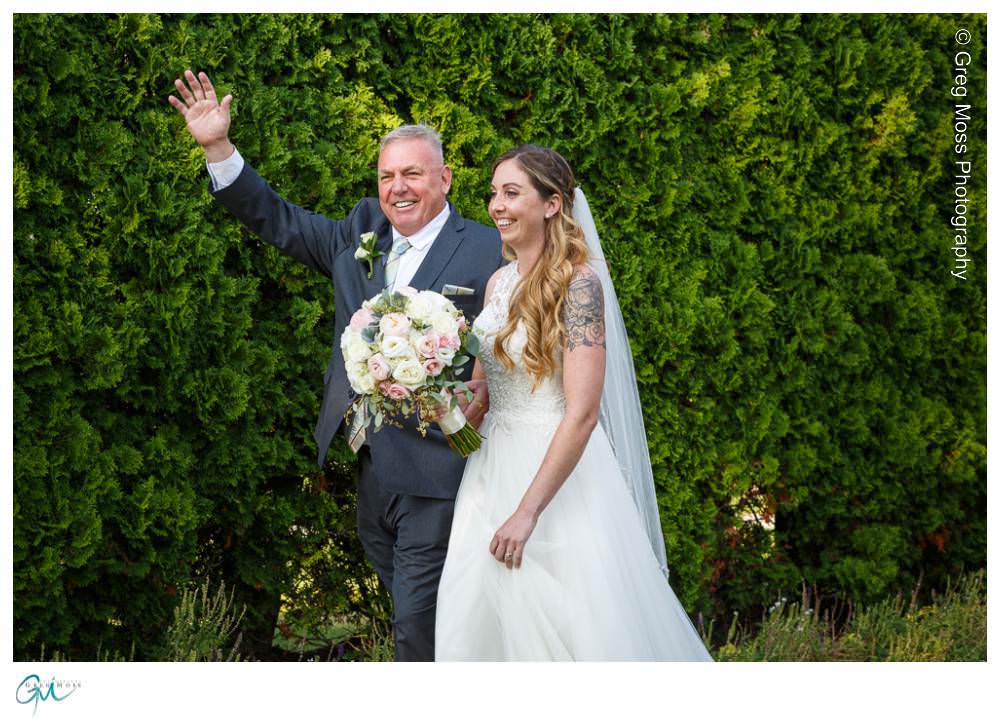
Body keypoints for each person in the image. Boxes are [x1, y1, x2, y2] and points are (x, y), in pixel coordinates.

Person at [168, 70, 503, 661]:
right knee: (422, 614)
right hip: (373, 468)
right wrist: (218, 149)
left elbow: (516, 347)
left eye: (413, 174)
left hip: (442, 471)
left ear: (445, 178)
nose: (398, 188)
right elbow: (280, 220)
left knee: (415, 628)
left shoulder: (486, 249)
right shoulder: (359, 233)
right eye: (387, 176)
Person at [434, 144, 714, 661]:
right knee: (474, 622)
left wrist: (527, 512)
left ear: (552, 203)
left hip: (555, 477)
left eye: (512, 193)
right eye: (494, 193)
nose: (496, 205)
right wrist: (443, 397)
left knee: (570, 633)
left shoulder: (579, 286)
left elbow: (582, 414)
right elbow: (484, 392)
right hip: (488, 470)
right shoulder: (498, 283)